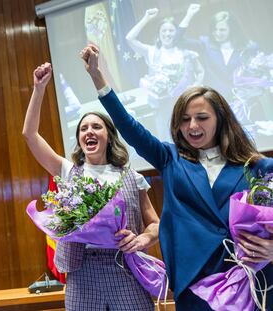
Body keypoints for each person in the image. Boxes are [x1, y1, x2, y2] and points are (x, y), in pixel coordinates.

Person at [80, 44, 273, 311]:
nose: (192, 126)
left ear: (221, 119)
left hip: (251, 283)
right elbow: (129, 126)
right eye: (184, 119)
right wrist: (97, 77)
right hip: (195, 284)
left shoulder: (257, 167)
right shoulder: (170, 159)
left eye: (202, 117)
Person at [22, 62, 160, 310]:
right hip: (81, 271)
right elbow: (30, 135)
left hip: (125, 268)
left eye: (96, 126)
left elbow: (155, 224)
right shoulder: (67, 171)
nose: (89, 131)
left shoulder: (131, 176)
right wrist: (39, 89)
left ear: (109, 136)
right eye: (83, 128)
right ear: (79, 139)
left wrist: (143, 240)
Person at [126, 8, 204, 142]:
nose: (167, 34)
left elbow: (200, 71)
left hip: (185, 106)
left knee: (189, 141)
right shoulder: (152, 52)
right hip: (162, 108)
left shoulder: (184, 52)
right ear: (159, 34)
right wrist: (146, 18)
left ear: (176, 34)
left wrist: (196, 85)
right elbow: (129, 38)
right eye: (164, 31)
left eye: (171, 30)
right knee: (167, 142)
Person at [177, 4, 256, 102]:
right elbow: (178, 40)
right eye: (214, 29)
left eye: (222, 30)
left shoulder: (249, 47)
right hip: (215, 101)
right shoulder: (205, 44)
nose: (217, 33)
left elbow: (257, 75)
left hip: (243, 101)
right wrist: (189, 15)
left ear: (232, 30)